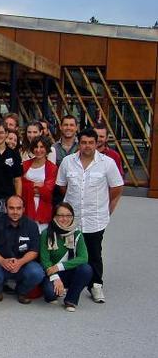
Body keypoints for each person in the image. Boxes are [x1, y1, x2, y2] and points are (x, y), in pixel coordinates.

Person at [56, 128, 123, 303]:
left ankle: (95, 285)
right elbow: (62, 186)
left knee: (94, 253)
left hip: (95, 218)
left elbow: (116, 188)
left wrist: (106, 207)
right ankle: (70, 283)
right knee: (70, 251)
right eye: (84, 142)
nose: (87, 146)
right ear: (79, 143)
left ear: (97, 143)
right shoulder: (67, 162)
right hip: (72, 219)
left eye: (91, 142)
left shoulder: (107, 163)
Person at [0, 195, 47, 304]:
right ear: (5, 208)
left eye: (18, 208)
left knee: (37, 272)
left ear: (23, 209)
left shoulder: (31, 225)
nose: (15, 212)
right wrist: (2, 260)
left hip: (23, 265)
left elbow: (34, 250)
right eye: (11, 208)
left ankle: (22, 292)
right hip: (0, 263)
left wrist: (20, 262)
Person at [39, 202, 93, 312]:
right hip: (50, 273)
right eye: (61, 216)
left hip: (65, 270)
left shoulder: (77, 234)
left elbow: (83, 258)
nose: (65, 219)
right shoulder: (46, 233)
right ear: (55, 217)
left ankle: (71, 300)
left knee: (86, 269)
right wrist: (56, 277)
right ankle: (57, 288)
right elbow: (45, 260)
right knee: (50, 293)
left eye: (68, 216)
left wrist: (59, 266)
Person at [21, 136, 57, 231]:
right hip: (26, 206)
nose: (38, 150)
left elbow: (48, 192)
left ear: (47, 149)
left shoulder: (52, 168)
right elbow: (20, 186)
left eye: (42, 147)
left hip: (43, 207)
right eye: (36, 147)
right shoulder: (25, 165)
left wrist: (28, 184)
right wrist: (35, 185)